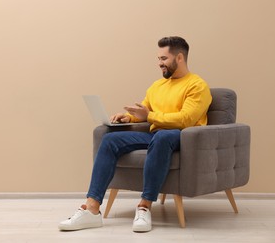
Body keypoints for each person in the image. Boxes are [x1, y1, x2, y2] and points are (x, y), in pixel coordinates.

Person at [59, 36, 212, 232]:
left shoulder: (197, 85)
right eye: (158, 59)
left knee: (163, 137)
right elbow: (145, 111)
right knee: (110, 140)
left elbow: (186, 119)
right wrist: (128, 118)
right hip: (156, 136)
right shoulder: (157, 86)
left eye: (164, 59)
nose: (159, 64)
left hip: (182, 137)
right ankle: (91, 209)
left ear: (179, 57)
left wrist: (149, 115)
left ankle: (144, 207)